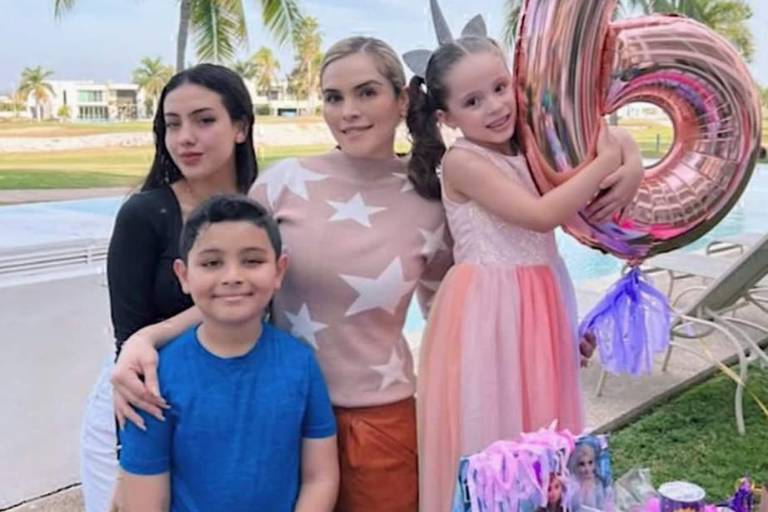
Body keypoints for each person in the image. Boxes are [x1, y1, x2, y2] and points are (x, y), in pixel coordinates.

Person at [110, 36, 642, 512]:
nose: (349, 112)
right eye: (334, 97)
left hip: (379, 425)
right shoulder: (282, 184)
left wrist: (548, 340)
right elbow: (232, 292)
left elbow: (461, 304)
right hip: (276, 415)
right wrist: (147, 339)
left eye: (366, 93)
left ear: (403, 100)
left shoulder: (434, 195)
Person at [406, 35, 642, 511]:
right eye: (473, 102)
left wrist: (631, 163)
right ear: (447, 118)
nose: (495, 107)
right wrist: (605, 163)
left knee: (544, 418)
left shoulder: (533, 142)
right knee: (496, 425)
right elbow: (539, 215)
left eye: (500, 88)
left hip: (542, 296)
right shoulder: (462, 161)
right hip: (489, 309)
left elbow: (612, 135)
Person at [79, 63, 258, 512]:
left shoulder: (270, 208)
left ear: (240, 127)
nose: (185, 138)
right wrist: (129, 462)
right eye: (172, 124)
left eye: (204, 120)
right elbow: (130, 343)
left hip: (235, 406)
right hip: (142, 401)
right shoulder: (145, 215)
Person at [119, 195, 338, 511]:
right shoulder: (156, 380)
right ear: (183, 276)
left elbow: (320, 478)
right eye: (212, 263)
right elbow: (144, 499)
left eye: (252, 261)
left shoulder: (300, 365)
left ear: (279, 271)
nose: (233, 276)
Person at [568, 439, 612, 511]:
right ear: (575, 465)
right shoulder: (571, 484)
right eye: (582, 464)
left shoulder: (597, 483)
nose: (587, 469)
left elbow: (602, 507)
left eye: (590, 463)